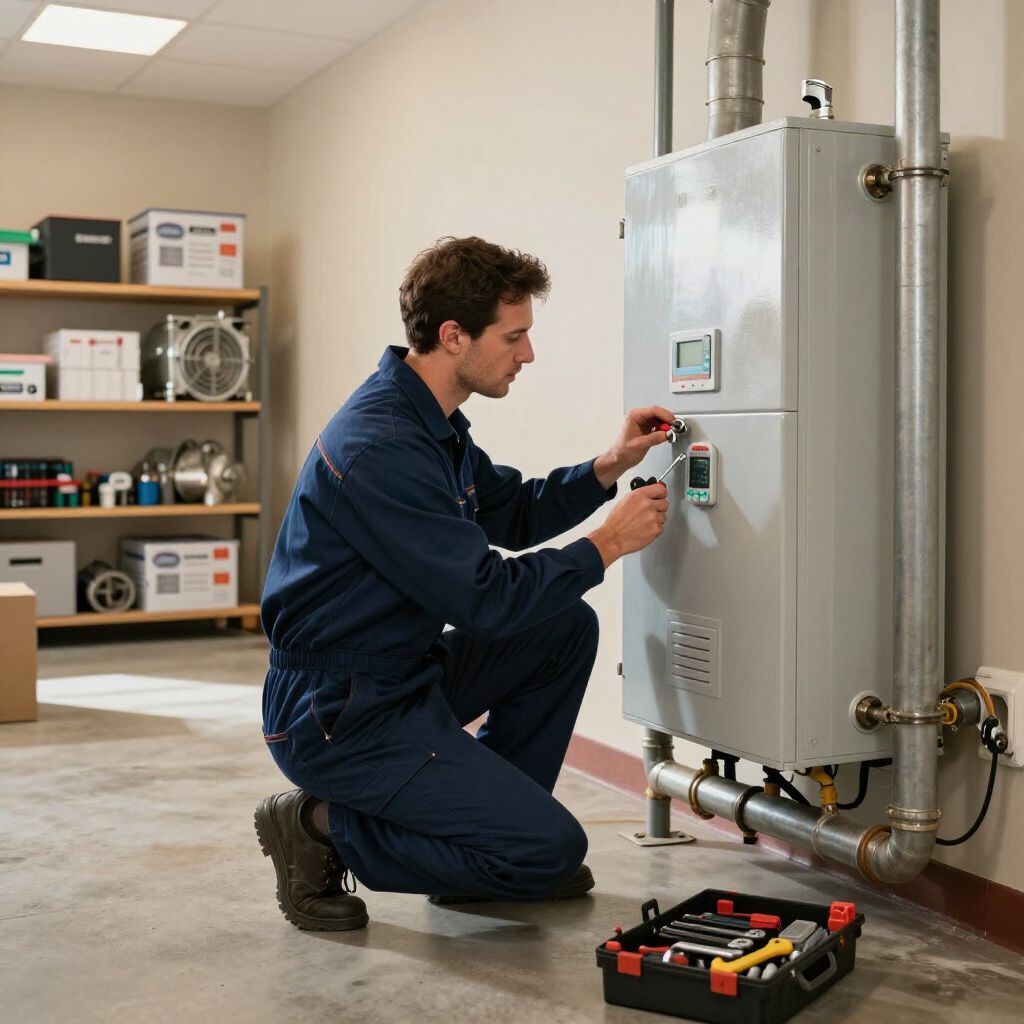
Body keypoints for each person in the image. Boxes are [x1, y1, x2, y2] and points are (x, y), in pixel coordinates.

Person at [255, 236, 674, 931]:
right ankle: (317, 828)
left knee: (563, 627)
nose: (527, 355)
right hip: (338, 713)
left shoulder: (429, 423)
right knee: (551, 853)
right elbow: (484, 599)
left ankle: (480, 844)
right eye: (514, 337)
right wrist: (607, 544)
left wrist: (611, 464)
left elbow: (511, 509)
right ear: (454, 336)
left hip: (399, 679)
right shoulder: (381, 445)